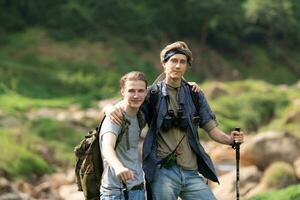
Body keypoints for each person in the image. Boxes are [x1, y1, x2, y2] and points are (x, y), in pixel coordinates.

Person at [106, 41, 244, 200]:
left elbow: (211, 129)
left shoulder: (195, 94)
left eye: (182, 62)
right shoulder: (152, 94)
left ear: (187, 65)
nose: (177, 66)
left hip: (191, 172)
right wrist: (108, 108)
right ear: (164, 63)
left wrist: (230, 140)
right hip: (162, 172)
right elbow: (129, 103)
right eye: (173, 61)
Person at [99, 71, 148, 200]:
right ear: (122, 92)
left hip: (138, 188)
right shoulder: (115, 116)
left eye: (140, 91)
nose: (136, 95)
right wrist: (119, 167)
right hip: (116, 191)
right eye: (131, 91)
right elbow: (107, 147)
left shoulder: (140, 115)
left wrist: (188, 85)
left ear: (146, 92)